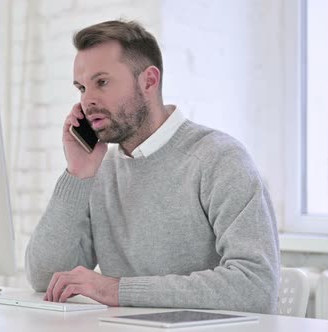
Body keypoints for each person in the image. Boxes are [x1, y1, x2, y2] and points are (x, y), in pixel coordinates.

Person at [24, 20, 280, 314]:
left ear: (148, 80)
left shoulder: (220, 159)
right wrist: (77, 173)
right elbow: (44, 278)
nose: (87, 100)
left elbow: (256, 287)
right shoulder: (102, 171)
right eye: (82, 87)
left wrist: (117, 289)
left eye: (102, 82)